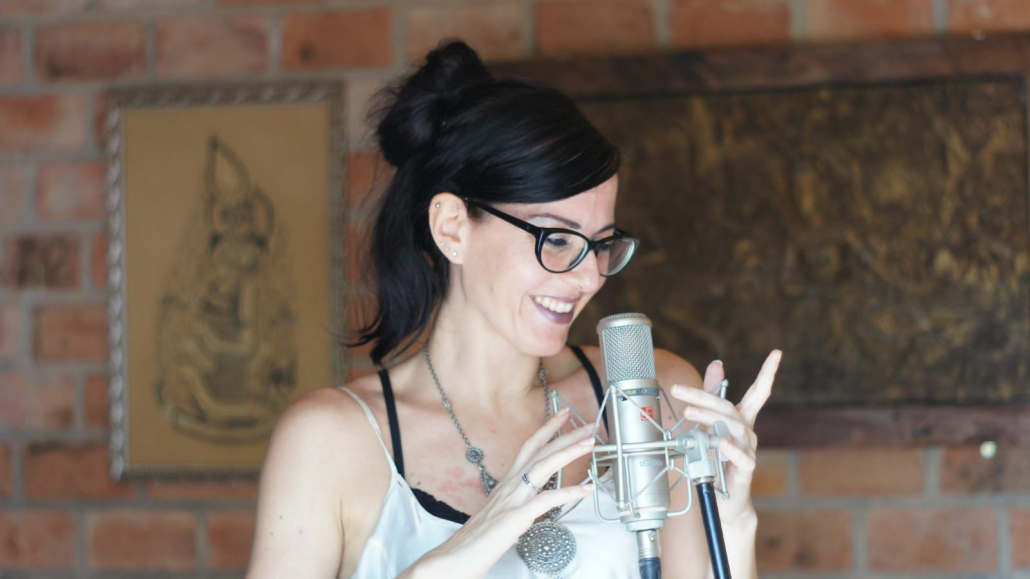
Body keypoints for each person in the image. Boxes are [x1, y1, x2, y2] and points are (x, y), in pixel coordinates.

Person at [246, 40, 781, 579]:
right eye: (556, 239)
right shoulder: (330, 439)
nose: (589, 276)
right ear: (452, 228)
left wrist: (734, 521)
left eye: (601, 244)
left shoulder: (653, 394)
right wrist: (464, 550)